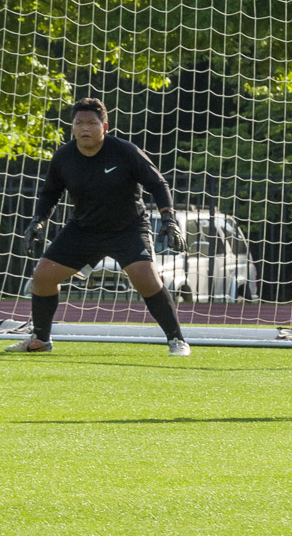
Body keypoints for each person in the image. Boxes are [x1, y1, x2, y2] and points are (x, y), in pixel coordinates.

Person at [10, 97, 191, 356]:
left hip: (128, 228)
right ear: (71, 127)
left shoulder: (125, 151)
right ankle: (40, 339)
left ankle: (177, 340)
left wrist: (169, 220)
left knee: (146, 280)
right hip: (83, 229)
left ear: (104, 127)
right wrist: (37, 221)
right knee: (42, 278)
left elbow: (158, 184)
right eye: (79, 122)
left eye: (92, 123)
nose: (85, 128)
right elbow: (50, 194)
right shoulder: (64, 156)